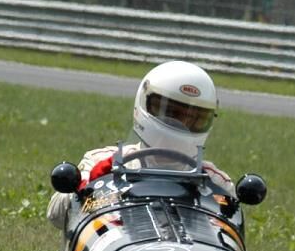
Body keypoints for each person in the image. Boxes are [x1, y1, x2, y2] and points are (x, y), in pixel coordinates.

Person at [47, 60, 232, 233]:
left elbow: (226, 236)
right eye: (171, 113)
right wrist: (89, 187)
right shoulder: (101, 162)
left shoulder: (214, 182)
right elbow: (56, 216)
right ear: (144, 103)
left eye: (194, 118)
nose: (182, 123)